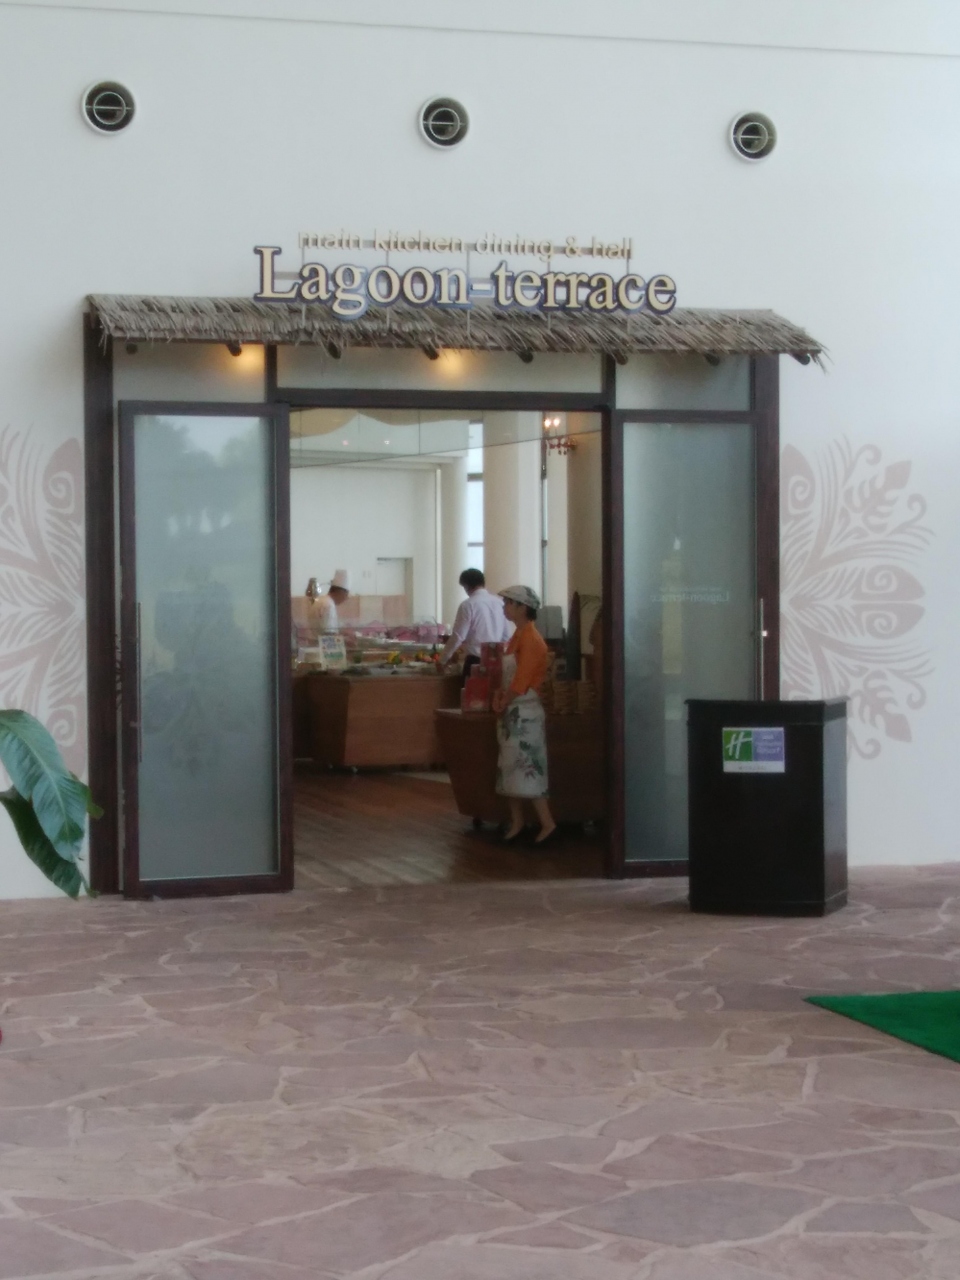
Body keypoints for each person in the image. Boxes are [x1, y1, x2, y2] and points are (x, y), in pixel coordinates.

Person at [492, 584, 556, 845]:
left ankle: (547, 823)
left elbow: (522, 680)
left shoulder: (531, 639)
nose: (504, 608)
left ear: (522, 607)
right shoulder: (517, 636)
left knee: (530, 768)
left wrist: (504, 699)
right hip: (513, 710)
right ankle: (517, 821)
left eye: (508, 603)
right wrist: (500, 696)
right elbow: (509, 677)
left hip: (526, 711)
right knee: (510, 768)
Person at [439, 568, 513, 683]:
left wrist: (443, 659)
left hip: (475, 661)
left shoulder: (468, 605)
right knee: (493, 693)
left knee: (473, 693)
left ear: (466, 586)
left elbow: (458, 636)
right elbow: (506, 636)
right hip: (496, 662)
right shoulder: (500, 603)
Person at [310, 569, 350, 634]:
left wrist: (344, 633)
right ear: (341, 593)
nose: (346, 599)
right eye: (346, 595)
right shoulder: (329, 605)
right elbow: (329, 633)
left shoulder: (322, 600)